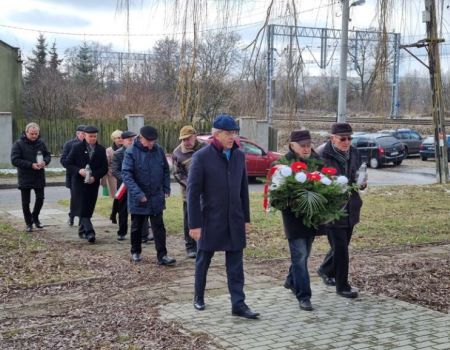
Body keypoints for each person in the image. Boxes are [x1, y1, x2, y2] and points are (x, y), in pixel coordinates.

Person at [187, 114, 259, 319]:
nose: (233, 137)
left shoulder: (238, 155)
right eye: (229, 133)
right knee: (204, 260)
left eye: (235, 133)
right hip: (211, 219)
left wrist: (246, 218)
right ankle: (198, 296)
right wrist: (194, 224)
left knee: (236, 265)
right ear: (216, 134)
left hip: (234, 219)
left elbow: (243, 189)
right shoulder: (201, 157)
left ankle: (239, 304)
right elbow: (192, 193)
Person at [316, 122, 365, 298]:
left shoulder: (354, 152)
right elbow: (315, 183)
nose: (347, 142)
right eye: (342, 138)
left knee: (341, 246)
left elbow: (358, 174)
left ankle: (325, 269)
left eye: (350, 138)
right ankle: (342, 286)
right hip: (332, 210)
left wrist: (362, 182)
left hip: (351, 207)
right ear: (332, 138)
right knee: (342, 250)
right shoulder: (322, 155)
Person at [121, 125, 176, 265]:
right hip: (139, 196)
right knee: (137, 226)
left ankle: (162, 256)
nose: (151, 144)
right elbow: (126, 175)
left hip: (156, 195)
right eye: (148, 141)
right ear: (141, 138)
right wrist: (138, 193)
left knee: (159, 227)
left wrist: (166, 187)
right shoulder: (131, 152)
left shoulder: (158, 150)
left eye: (153, 141)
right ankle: (135, 251)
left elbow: (165, 169)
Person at [281, 130, 322, 311]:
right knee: (300, 256)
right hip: (293, 219)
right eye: (302, 145)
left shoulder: (317, 161)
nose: (306, 149)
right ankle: (304, 296)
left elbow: (327, 184)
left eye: (308, 145)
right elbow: (276, 196)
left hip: (312, 218)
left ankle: (291, 280)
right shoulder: (283, 164)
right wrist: (292, 200)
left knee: (304, 254)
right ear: (292, 145)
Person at [66, 126, 108, 243]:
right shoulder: (76, 148)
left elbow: (104, 168)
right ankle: (90, 232)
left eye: (95, 136)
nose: (93, 138)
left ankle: (82, 230)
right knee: (80, 206)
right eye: (90, 136)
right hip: (79, 183)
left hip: (92, 184)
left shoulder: (100, 149)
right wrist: (79, 170)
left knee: (88, 207)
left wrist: (95, 176)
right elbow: (68, 163)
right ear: (84, 135)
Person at [172, 125, 205, 258]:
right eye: (183, 139)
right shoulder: (177, 153)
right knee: (189, 218)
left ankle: (204, 243)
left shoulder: (206, 148)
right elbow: (177, 174)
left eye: (188, 138)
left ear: (195, 136)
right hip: (188, 192)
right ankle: (190, 246)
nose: (186, 142)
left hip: (206, 191)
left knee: (206, 217)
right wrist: (192, 185)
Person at [11, 122, 51, 232]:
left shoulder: (41, 143)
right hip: (25, 176)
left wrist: (45, 162)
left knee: (40, 199)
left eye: (36, 134)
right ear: (26, 132)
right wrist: (30, 165)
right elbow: (14, 160)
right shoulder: (18, 144)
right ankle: (29, 223)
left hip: (39, 175)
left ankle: (35, 217)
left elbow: (47, 154)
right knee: (26, 202)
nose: (34, 136)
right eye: (32, 134)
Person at [111, 130, 136, 241]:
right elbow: (115, 170)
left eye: (134, 140)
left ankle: (142, 232)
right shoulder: (118, 153)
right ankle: (122, 231)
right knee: (123, 209)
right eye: (130, 140)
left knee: (139, 209)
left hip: (137, 185)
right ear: (124, 141)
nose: (132, 142)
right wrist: (127, 180)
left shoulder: (139, 151)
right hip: (124, 185)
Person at [61, 125, 85, 226]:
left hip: (87, 175)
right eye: (83, 133)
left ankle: (82, 218)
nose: (85, 135)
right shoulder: (69, 144)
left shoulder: (90, 144)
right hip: (73, 175)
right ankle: (72, 216)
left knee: (85, 198)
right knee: (75, 197)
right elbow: (63, 160)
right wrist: (76, 169)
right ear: (77, 134)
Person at [103, 129, 123, 224]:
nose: (120, 139)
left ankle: (113, 214)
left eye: (121, 137)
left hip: (123, 175)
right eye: (118, 138)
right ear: (114, 139)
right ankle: (115, 215)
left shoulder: (126, 148)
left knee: (120, 196)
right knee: (117, 196)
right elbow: (106, 164)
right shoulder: (109, 150)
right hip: (113, 177)